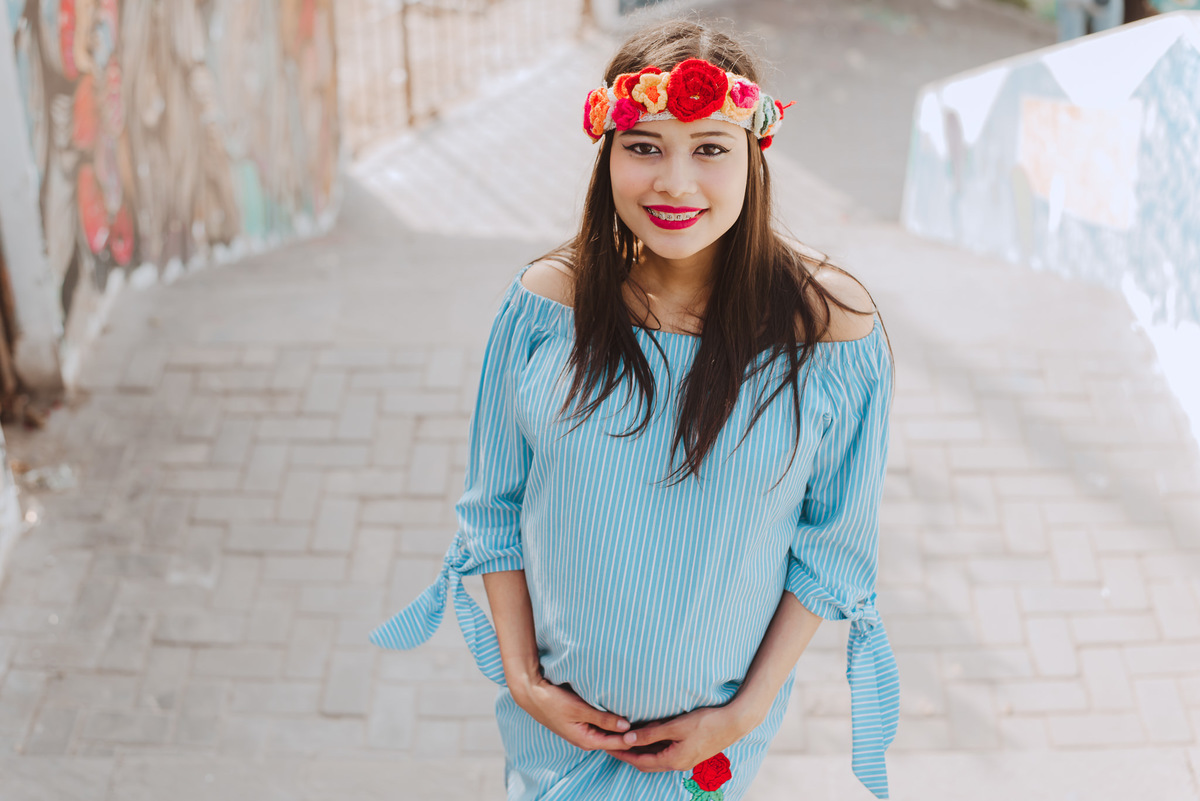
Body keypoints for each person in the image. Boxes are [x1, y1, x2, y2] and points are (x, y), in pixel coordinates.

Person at [370, 18, 899, 801]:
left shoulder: (829, 331)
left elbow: (833, 551)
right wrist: (524, 680)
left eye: (710, 149)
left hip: (709, 759)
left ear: (754, 157)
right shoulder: (544, 308)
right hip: (554, 747)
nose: (674, 184)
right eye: (644, 146)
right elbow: (493, 511)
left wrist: (741, 715)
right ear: (607, 155)